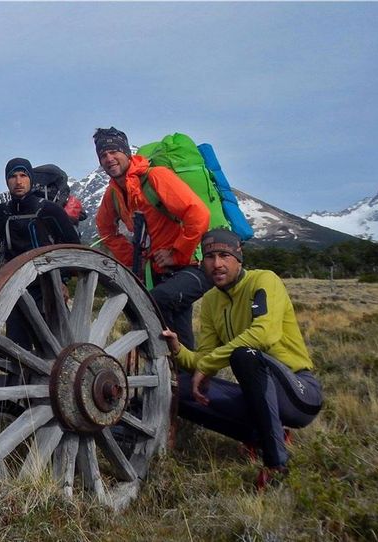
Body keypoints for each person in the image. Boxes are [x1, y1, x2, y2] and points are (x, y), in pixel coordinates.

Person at [163, 229, 323, 490]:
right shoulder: (212, 300)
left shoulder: (264, 280)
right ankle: (263, 435)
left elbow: (265, 333)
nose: (217, 264)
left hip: (299, 394)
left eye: (224, 255)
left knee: (245, 355)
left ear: (239, 258)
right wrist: (179, 350)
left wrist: (207, 363)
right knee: (178, 388)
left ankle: (276, 464)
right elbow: (204, 358)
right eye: (210, 257)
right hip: (257, 394)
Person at [94, 127, 211, 349]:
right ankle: (184, 378)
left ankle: (180, 375)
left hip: (190, 267)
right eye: (103, 155)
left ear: (127, 152)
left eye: (114, 151)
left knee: (152, 304)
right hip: (156, 273)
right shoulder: (113, 194)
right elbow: (105, 228)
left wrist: (176, 253)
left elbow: (198, 214)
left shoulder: (156, 176)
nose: (109, 158)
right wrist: (133, 259)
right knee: (175, 337)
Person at [0, 158, 81, 350]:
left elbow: (73, 247)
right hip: (14, 289)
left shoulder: (48, 210)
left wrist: (63, 281)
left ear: (31, 179)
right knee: (18, 350)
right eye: (13, 176)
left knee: (60, 346)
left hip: (48, 287)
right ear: (7, 181)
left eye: (23, 175)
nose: (18, 181)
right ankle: (22, 380)